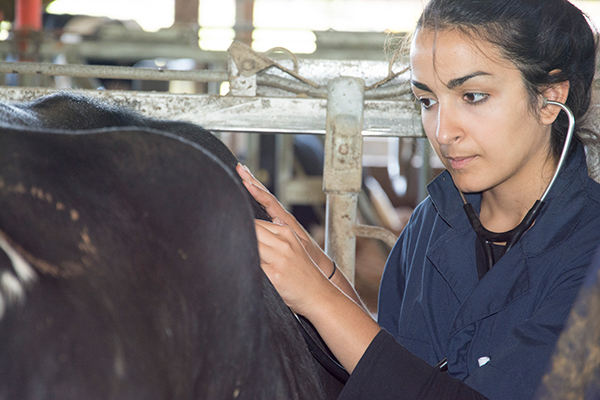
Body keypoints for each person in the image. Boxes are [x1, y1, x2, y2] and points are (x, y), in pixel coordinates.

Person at [236, 0, 600, 398]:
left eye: (473, 96)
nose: (443, 132)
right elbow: (393, 366)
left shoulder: (589, 249)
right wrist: (319, 271)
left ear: (549, 98)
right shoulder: (435, 219)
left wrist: (320, 299)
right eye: (427, 101)